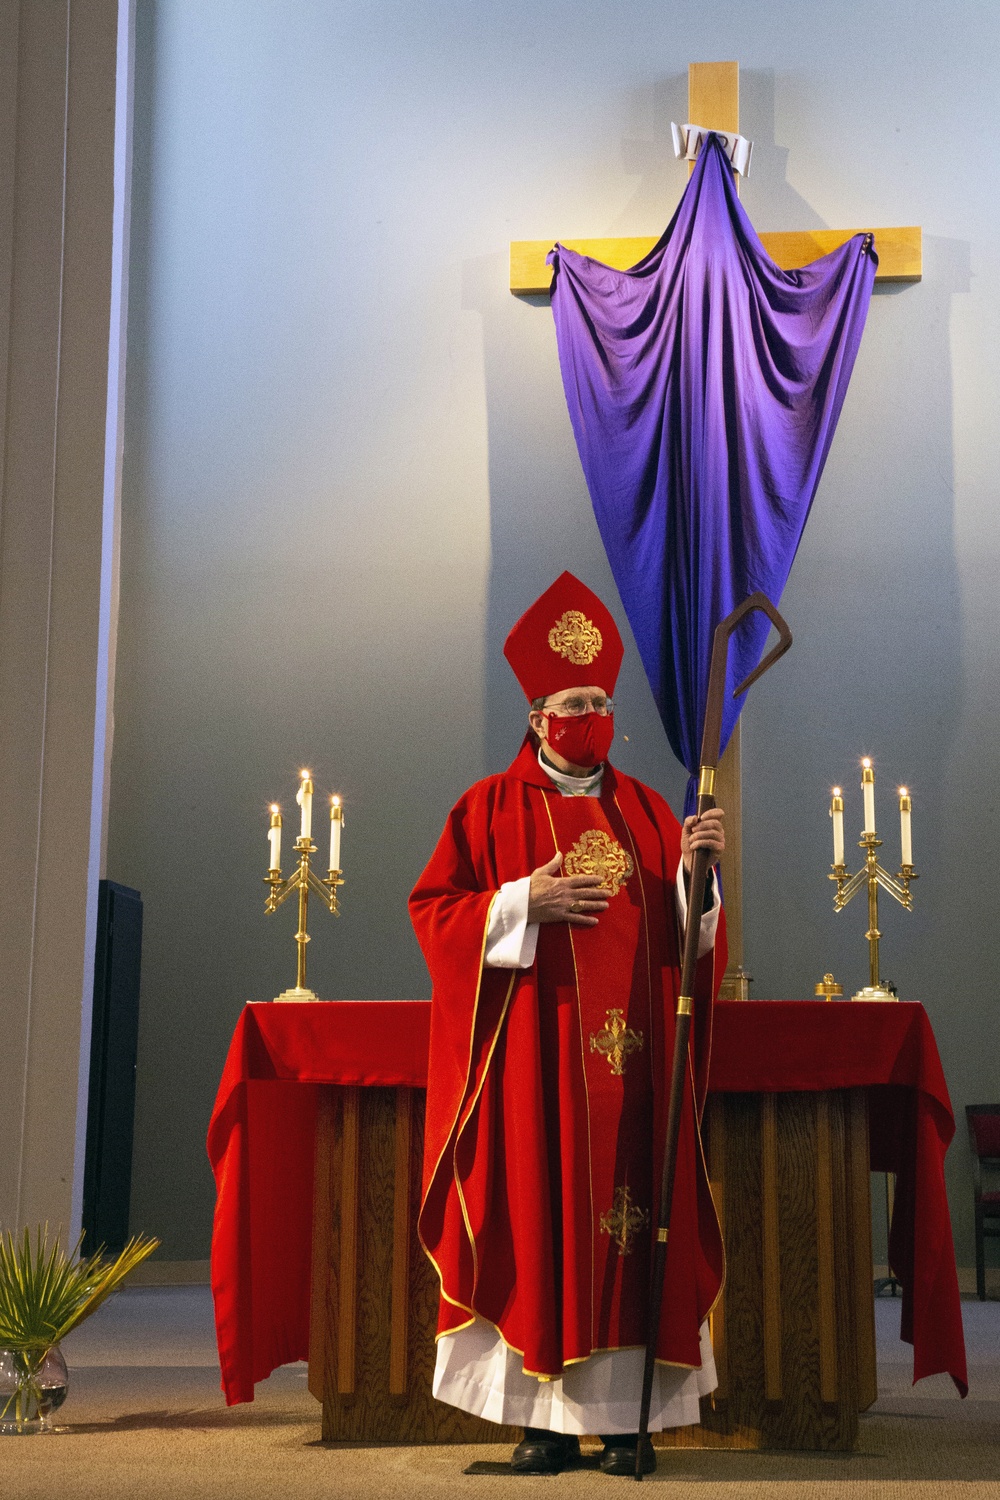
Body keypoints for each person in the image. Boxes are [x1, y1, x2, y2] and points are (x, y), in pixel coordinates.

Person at [410, 572, 726, 1476]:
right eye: (573, 702)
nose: (591, 715)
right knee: (541, 1218)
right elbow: (435, 913)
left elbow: (691, 939)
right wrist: (520, 902)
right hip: (538, 1066)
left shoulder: (652, 812)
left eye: (602, 703)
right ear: (538, 715)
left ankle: (631, 1420)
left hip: (637, 1068)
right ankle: (544, 1423)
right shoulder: (488, 808)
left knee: (633, 1224)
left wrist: (696, 878)